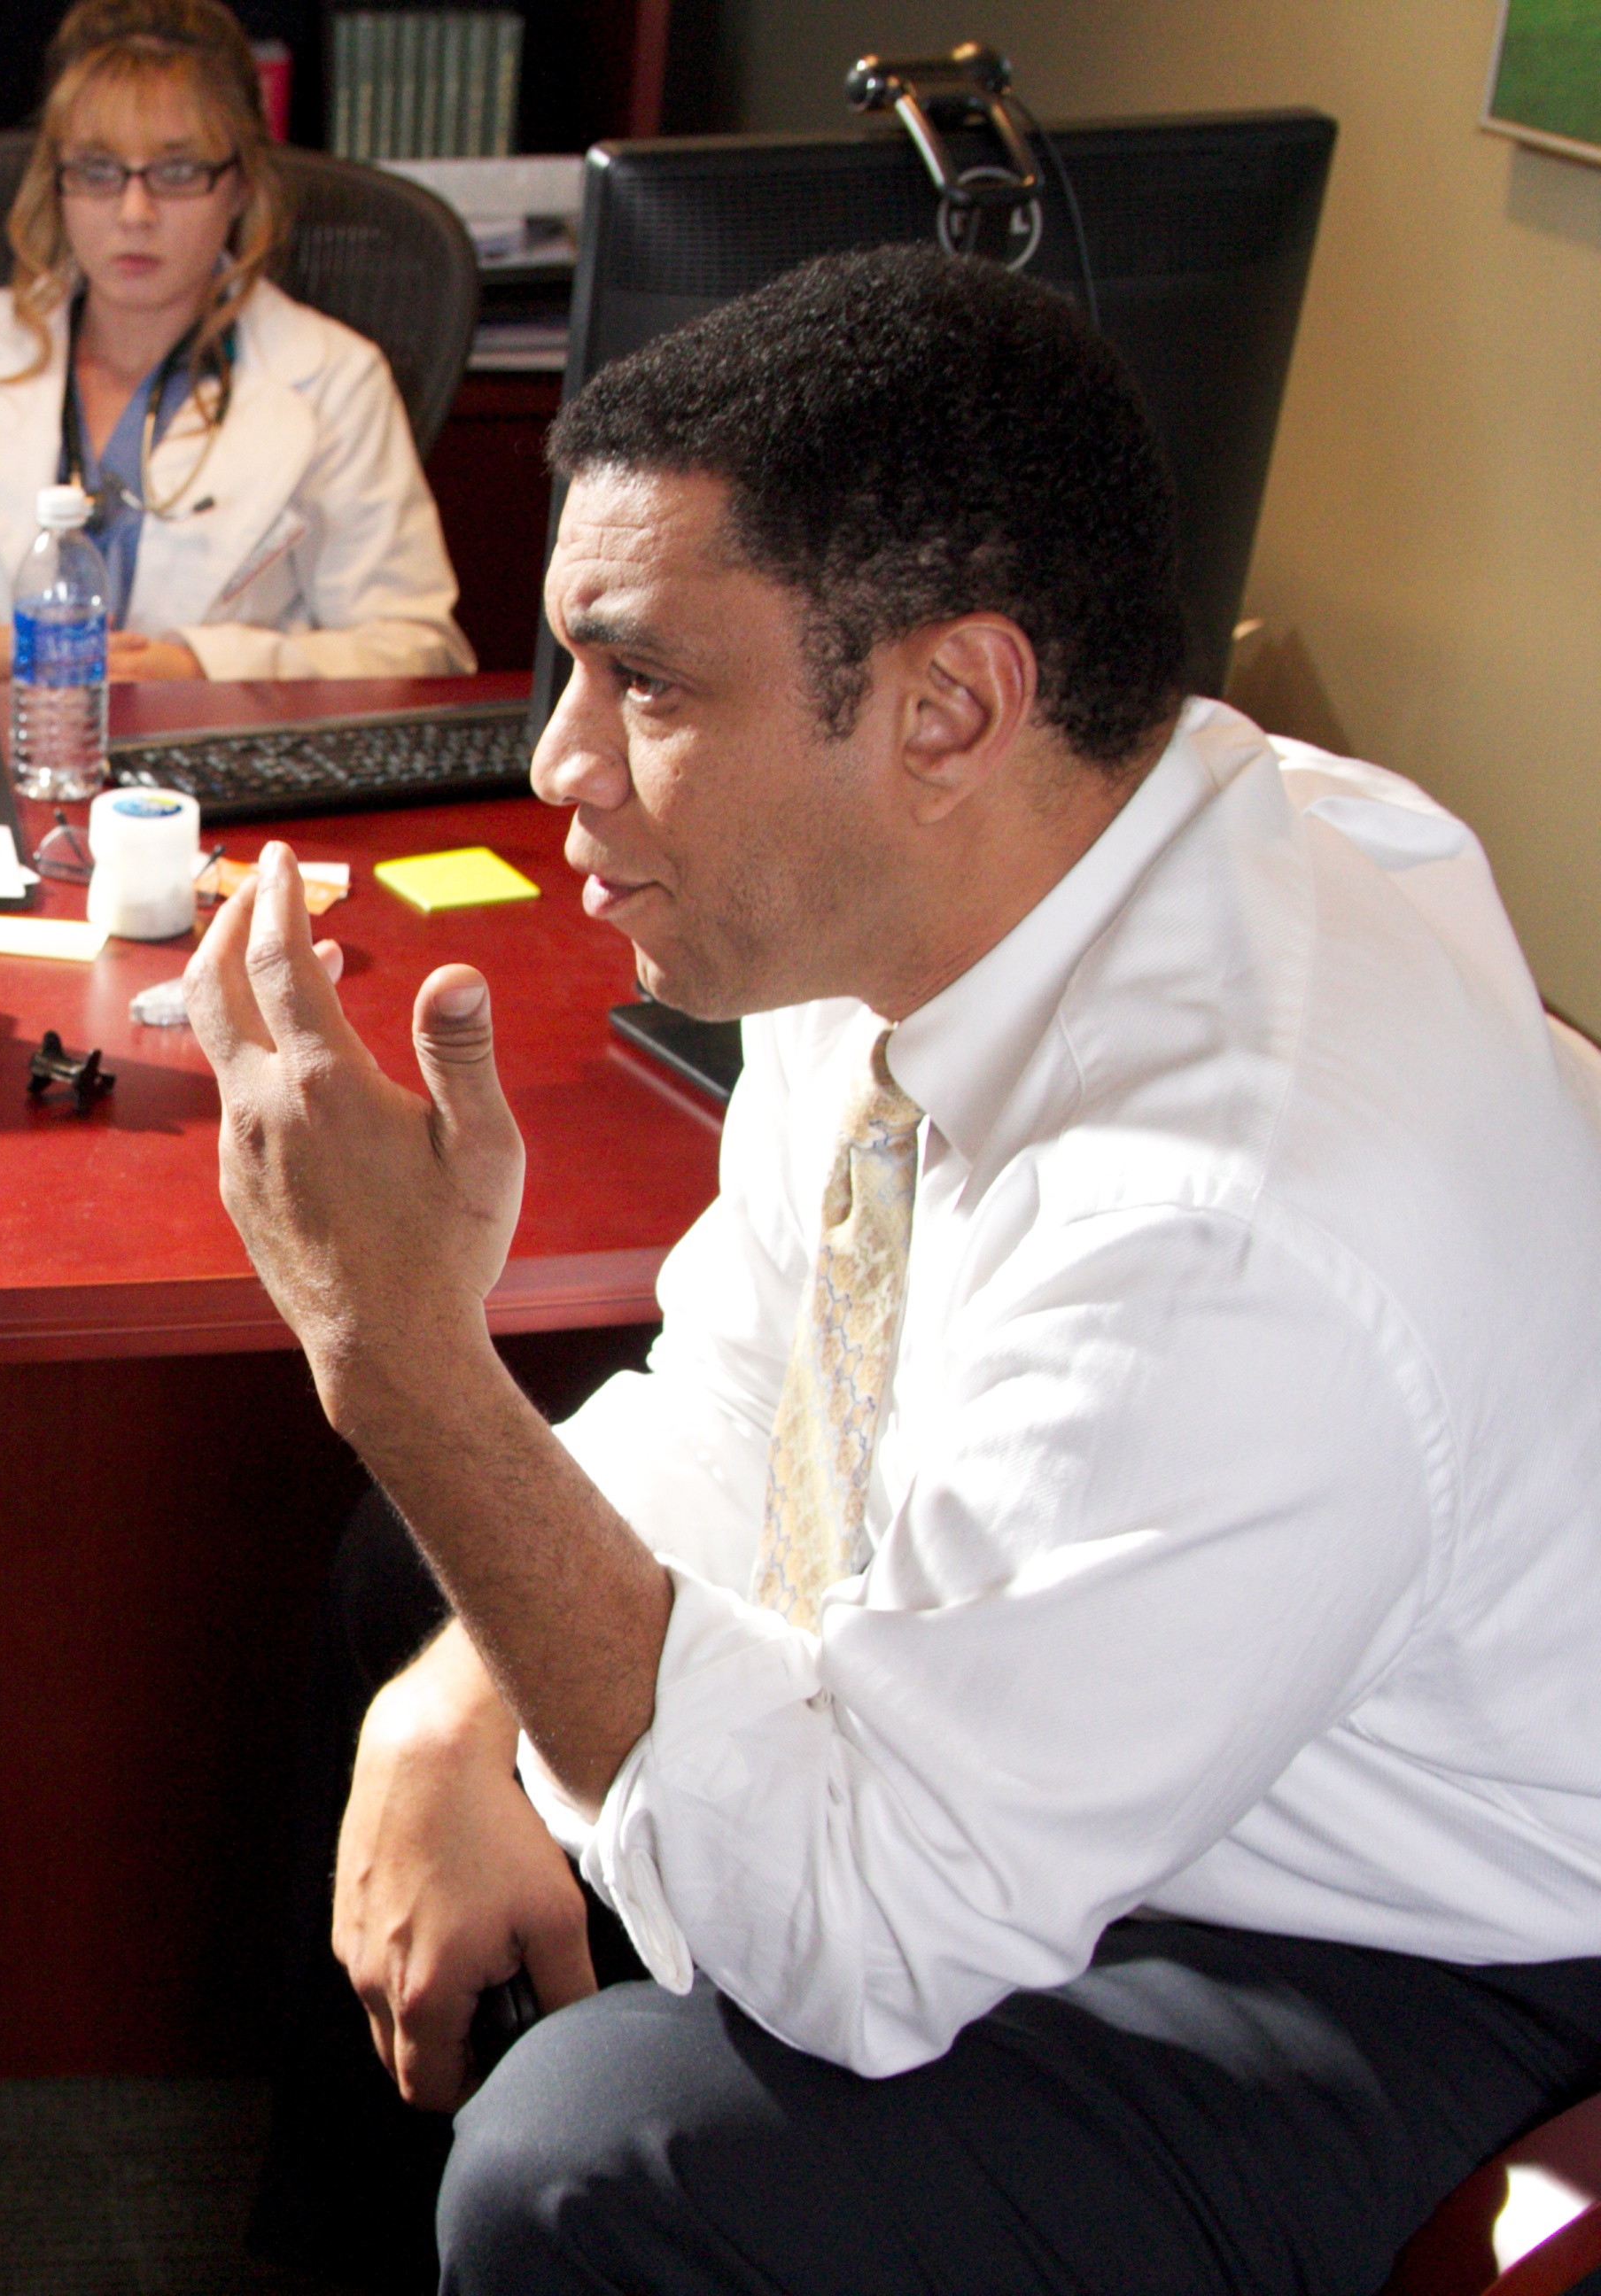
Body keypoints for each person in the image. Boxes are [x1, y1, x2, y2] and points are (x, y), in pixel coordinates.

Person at [192, 243, 1601, 2293]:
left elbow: (863, 1931)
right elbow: (751, 1388)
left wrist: (396, 1357)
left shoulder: (1223, 1224)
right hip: (1098, 1705)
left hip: (1401, 1944)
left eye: (647, 683)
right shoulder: (967, 882)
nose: (554, 765)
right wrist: (449, 1712)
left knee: (587, 2162)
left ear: (948, 702)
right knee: (412, 1587)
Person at [0, 0, 468, 686]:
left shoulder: (334, 377)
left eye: (177, 172)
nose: (134, 214)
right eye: (97, 170)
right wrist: (5, 656)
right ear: (54, 183)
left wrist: (196, 669)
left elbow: (419, 650)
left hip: (223, 763)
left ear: (239, 186)